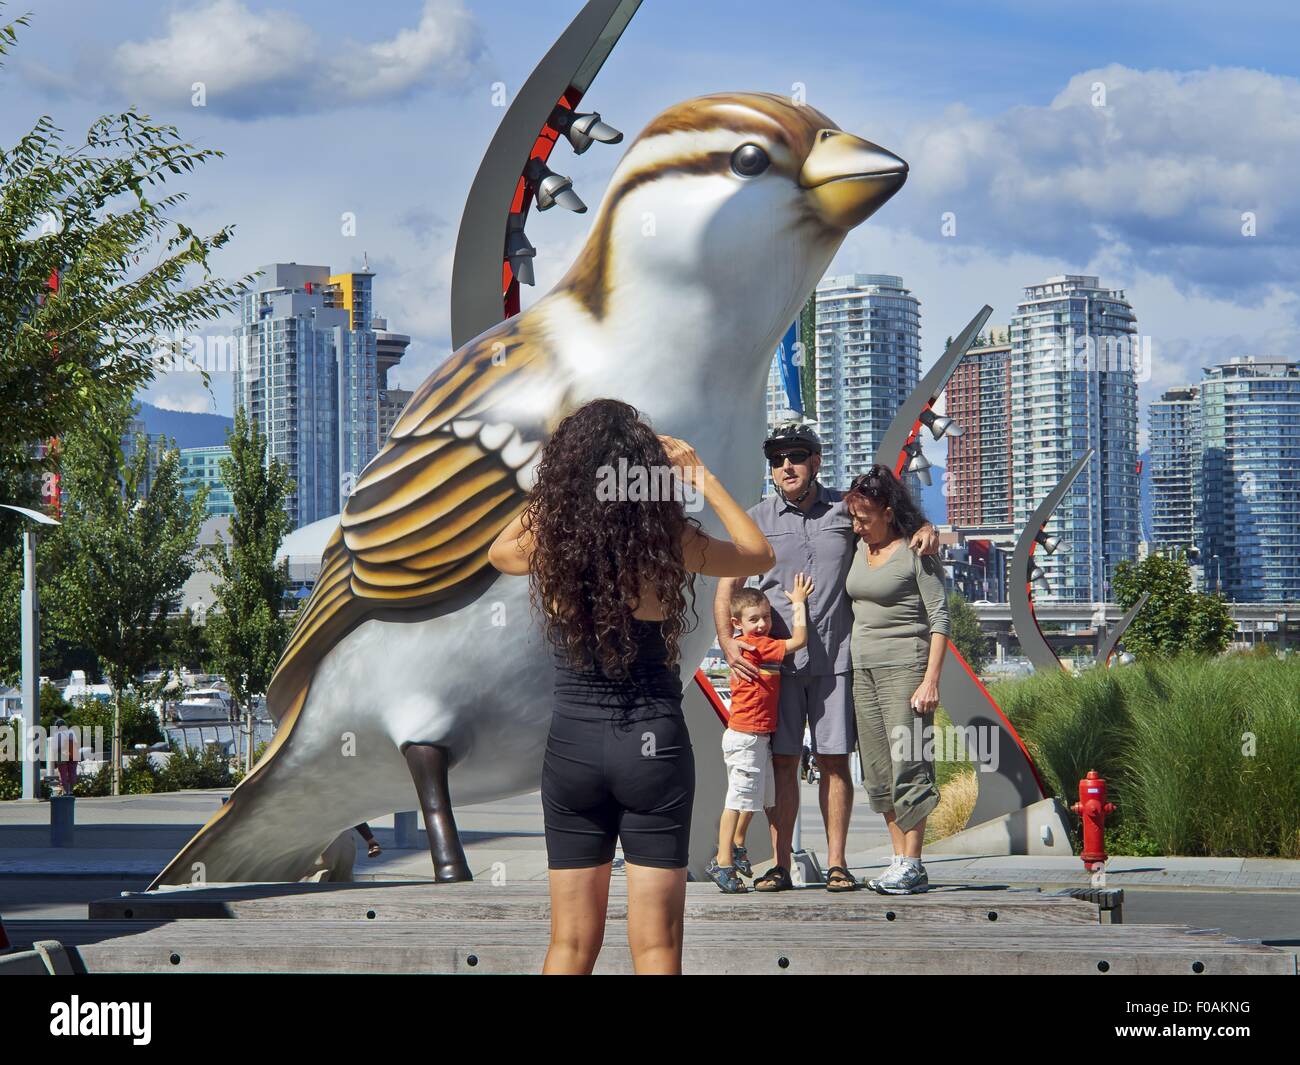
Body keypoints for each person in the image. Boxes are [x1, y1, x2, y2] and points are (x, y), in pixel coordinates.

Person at [488, 398, 773, 975]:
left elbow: (498, 552)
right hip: (653, 743)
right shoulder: (669, 539)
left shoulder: (552, 546)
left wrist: (559, 489)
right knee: (658, 949)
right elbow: (758, 551)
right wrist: (701, 477)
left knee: (569, 946)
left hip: (572, 748)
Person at [713, 423, 938, 893]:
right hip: (777, 669)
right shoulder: (755, 518)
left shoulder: (845, 510)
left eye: (796, 456)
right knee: (782, 764)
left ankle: (838, 863)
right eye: (777, 460)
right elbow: (725, 585)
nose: (786, 466)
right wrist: (729, 642)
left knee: (836, 762)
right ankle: (778, 864)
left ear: (816, 462)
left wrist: (926, 527)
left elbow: (889, 528)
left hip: (838, 661)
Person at [844, 465, 949, 895]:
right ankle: (898, 861)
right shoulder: (858, 545)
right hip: (862, 671)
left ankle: (914, 861)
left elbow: (940, 620)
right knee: (878, 772)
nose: (857, 525)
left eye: (865, 518)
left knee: (911, 763)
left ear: (888, 512)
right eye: (854, 518)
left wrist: (930, 682)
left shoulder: (916, 552)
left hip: (906, 669)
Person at [705, 577, 812, 893]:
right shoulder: (757, 646)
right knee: (737, 801)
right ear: (737, 622)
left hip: (757, 737)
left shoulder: (743, 643)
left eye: (766, 617)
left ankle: (737, 845)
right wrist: (799, 603)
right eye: (754, 619)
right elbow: (800, 640)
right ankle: (722, 861)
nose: (763, 624)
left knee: (757, 798)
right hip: (747, 737)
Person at [52, 718, 78, 797]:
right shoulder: (71, 732)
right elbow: (76, 743)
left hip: (61, 755)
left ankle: (66, 791)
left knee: (63, 774)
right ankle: (71, 790)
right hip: (73, 754)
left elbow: (55, 748)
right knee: (72, 773)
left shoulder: (56, 735)